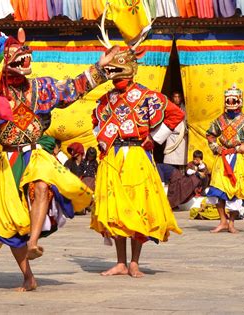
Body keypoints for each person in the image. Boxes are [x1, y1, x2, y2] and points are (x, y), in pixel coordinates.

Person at [0, 27, 119, 291]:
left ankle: (34, 242)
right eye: (18, 55)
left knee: (42, 185)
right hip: (7, 162)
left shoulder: (41, 87)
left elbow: (73, 88)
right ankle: (27, 275)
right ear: (3, 64)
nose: (26, 56)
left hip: (35, 154)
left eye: (26, 53)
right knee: (9, 224)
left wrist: (100, 66)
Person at [91, 24, 184, 277]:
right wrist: (101, 143)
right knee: (117, 212)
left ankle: (134, 263)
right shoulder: (106, 99)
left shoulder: (147, 96)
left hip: (137, 157)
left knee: (137, 208)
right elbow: (95, 121)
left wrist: (154, 138)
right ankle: (120, 262)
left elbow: (176, 114)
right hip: (113, 158)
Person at [206, 84, 244, 234]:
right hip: (222, 158)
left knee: (236, 190)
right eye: (228, 100)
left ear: (240, 100)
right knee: (218, 189)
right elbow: (210, 135)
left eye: (234, 100)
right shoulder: (219, 120)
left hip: (239, 158)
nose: (231, 102)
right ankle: (222, 221)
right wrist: (216, 147)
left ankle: (231, 223)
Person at [163, 91, 188, 169]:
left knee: (182, 160)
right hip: (171, 135)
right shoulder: (169, 108)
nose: (177, 99)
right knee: (169, 159)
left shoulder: (185, 109)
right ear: (172, 98)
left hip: (181, 136)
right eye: (175, 97)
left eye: (179, 97)